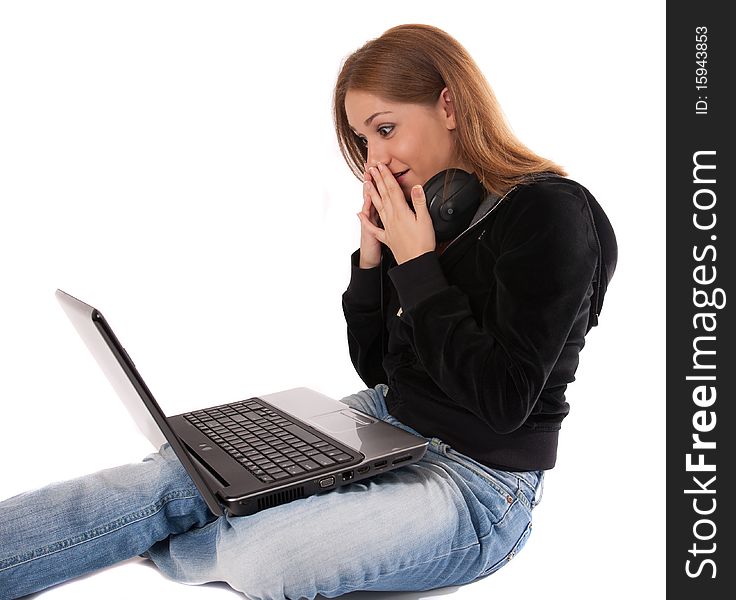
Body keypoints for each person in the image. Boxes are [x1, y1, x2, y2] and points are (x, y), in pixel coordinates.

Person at [0, 23, 617, 600]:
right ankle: (194, 508)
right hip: (383, 421)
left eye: (385, 129)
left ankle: (202, 524)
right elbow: (378, 368)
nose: (375, 156)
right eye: (361, 139)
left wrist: (420, 266)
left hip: (479, 483)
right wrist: (376, 263)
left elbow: (503, 403)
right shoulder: (435, 211)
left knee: (272, 561)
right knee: (169, 475)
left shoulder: (554, 216)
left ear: (450, 106)